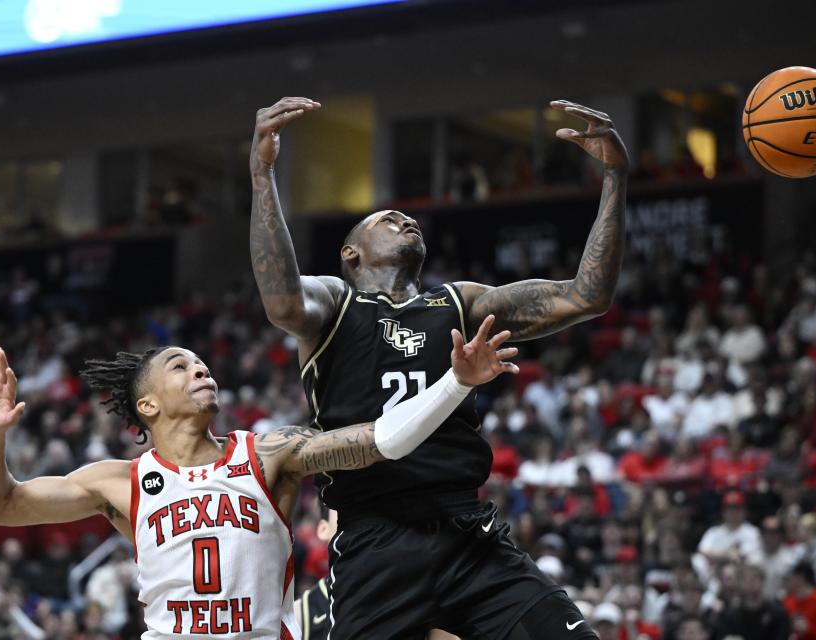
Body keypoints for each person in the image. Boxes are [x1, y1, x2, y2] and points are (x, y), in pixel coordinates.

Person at [250, 95, 627, 640]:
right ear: (350, 254)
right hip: (375, 543)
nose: (405, 218)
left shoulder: (459, 302)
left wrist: (615, 177)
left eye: (407, 217)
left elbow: (587, 296)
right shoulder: (335, 303)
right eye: (385, 219)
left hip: (465, 532)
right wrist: (262, 174)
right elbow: (282, 301)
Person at [0, 320, 517, 640]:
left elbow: (380, 441)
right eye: (181, 366)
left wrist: (453, 384)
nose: (202, 370)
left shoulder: (269, 453)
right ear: (148, 403)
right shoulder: (118, 482)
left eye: (203, 364)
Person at [293, 504, 458, 640]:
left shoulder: (425, 601)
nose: (364, 522)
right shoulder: (300, 615)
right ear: (323, 529)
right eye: (346, 510)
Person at [714, 563, 791, 640]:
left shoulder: (777, 613)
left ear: (762, 581)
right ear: (739, 583)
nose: (749, 583)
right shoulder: (732, 614)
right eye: (744, 579)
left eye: (753, 579)